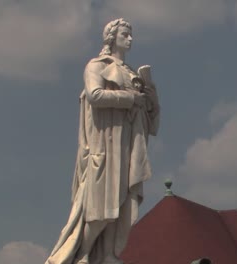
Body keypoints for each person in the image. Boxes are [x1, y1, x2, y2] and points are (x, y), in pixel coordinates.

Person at [45, 18, 160, 264]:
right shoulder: (97, 66)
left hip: (127, 145)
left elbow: (150, 117)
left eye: (131, 35)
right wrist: (130, 98)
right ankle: (82, 254)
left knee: (120, 208)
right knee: (101, 208)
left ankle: (108, 255)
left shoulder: (131, 73)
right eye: (125, 35)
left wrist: (149, 95)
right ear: (111, 37)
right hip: (105, 145)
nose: (130, 39)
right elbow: (95, 95)